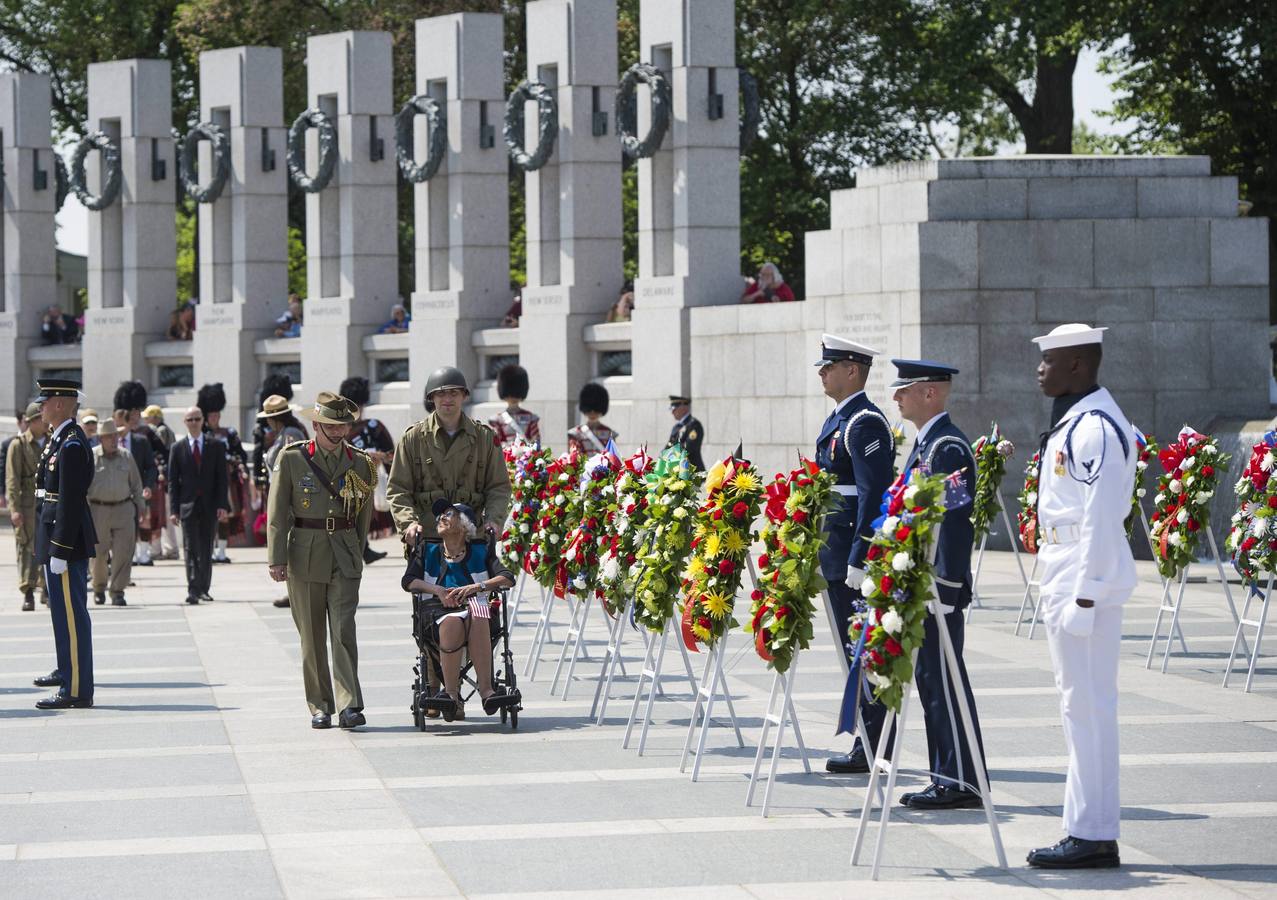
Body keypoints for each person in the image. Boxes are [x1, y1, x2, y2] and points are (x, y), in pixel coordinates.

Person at [1026, 323, 1134, 870]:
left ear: (1077, 365)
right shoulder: (1078, 421)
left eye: (1049, 360)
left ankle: (1092, 833)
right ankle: (1087, 827)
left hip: (1082, 578)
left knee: (1088, 706)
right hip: (1066, 568)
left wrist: (1086, 597)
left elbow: (1101, 518)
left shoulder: (1096, 428)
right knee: (1079, 705)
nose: (1040, 369)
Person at [864, 358, 987, 810]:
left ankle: (959, 782)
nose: (896, 396)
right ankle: (951, 776)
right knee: (933, 679)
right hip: (922, 585)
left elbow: (952, 523)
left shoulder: (947, 447)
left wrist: (946, 586)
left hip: (938, 587)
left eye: (905, 389)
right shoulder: (928, 445)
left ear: (930, 393)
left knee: (942, 681)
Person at [810, 334, 895, 775]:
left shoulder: (864, 423)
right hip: (835, 552)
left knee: (863, 649)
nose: (822, 374)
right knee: (852, 650)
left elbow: (873, 494)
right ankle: (867, 738)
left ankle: (875, 744)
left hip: (850, 558)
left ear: (852, 370)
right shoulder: (840, 419)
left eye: (829, 367)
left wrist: (861, 557)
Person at [267, 391, 377, 729]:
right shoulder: (292, 458)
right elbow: (277, 513)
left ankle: (349, 704)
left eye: (343, 426)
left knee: (343, 630)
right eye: (331, 426)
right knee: (312, 636)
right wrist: (276, 558)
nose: (339, 432)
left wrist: (356, 551)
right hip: (305, 552)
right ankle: (320, 705)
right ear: (316, 425)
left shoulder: (360, 462)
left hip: (343, 552)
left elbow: (363, 516)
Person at [401, 500, 517, 720]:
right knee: (453, 620)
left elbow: (507, 578)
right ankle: (451, 695)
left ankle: (487, 692)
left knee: (477, 612)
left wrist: (477, 587)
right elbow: (408, 581)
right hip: (437, 614)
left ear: (465, 526)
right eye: (440, 515)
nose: (441, 518)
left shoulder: (481, 551)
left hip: (476, 611)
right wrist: (438, 591)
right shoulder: (427, 550)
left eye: (449, 514)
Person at [387, 367, 510, 547]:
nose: (447, 399)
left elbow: (498, 487)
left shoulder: (485, 438)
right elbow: (398, 489)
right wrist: (408, 524)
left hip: (471, 536)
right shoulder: (412, 439)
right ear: (431, 398)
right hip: (426, 538)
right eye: (441, 394)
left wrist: (494, 520)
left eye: (454, 393)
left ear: (464, 396)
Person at [32, 378, 97, 709]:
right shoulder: (58, 440)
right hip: (55, 538)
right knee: (62, 614)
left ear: (60, 403)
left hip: (65, 543)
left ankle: (76, 689)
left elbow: (70, 502)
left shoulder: (71, 444)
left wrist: (59, 549)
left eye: (45, 402)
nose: (41, 408)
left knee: (72, 617)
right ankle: (66, 670)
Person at [168, 406, 229, 605]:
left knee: (206, 548)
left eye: (197, 419)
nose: (194, 423)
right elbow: (172, 482)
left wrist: (222, 505)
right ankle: (193, 589)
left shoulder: (216, 446)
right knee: (190, 548)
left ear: (203, 420)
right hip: (187, 506)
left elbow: (222, 478)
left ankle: (204, 588)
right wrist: (174, 510)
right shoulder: (177, 448)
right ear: (184, 422)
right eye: (190, 419)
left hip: (209, 506)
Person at [256, 393, 308, 608]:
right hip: (281, 492)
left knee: (289, 542)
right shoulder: (284, 433)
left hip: (289, 495)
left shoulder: (291, 434)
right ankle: (293, 589)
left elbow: (296, 464)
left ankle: (296, 590)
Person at [86, 420, 146, 607]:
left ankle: (118, 591)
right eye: (109, 437)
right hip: (98, 510)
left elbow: (136, 484)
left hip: (124, 508)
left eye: (115, 436)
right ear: (101, 439)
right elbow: (83, 486)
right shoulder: (91, 457)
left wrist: (141, 505)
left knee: (123, 552)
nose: (113, 440)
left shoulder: (126, 456)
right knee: (98, 553)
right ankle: (99, 587)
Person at [339, 376, 396, 565]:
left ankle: (363, 549)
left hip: (368, 481)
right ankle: (361, 550)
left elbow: (392, 454)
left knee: (359, 517)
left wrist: (379, 457)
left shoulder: (373, 427)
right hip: (345, 481)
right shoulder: (338, 430)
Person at [198, 383, 250, 563]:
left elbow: (240, 453)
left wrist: (238, 464)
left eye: (217, 415)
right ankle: (210, 550)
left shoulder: (229, 433)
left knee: (225, 515)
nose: (214, 418)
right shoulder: (201, 435)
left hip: (227, 480)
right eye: (211, 415)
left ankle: (221, 551)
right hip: (206, 481)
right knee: (208, 516)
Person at [112, 382, 159, 567]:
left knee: (143, 521)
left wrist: (148, 485)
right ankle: (125, 556)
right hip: (115, 491)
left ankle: (143, 553)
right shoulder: (109, 440)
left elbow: (151, 466)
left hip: (138, 489)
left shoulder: (142, 440)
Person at [7, 401, 48, 611]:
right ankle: (28, 591)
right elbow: (12, 480)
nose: (44, 422)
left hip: (47, 502)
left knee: (48, 544)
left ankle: (47, 589)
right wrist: (14, 509)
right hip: (26, 505)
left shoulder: (52, 441)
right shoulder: (19, 445)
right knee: (26, 547)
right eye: (40, 418)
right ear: (31, 422)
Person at [143, 404, 180, 560]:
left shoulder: (161, 431)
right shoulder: (168, 430)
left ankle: (167, 549)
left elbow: (159, 451)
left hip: (163, 477)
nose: (145, 421)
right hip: (167, 476)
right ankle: (171, 548)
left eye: (148, 418)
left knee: (163, 514)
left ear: (154, 417)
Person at [488, 364, 541, 449]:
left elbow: (536, 443)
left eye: (516, 393)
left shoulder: (531, 418)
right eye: (510, 394)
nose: (513, 397)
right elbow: (496, 444)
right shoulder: (497, 420)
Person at [567, 383, 618, 454]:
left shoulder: (610, 434)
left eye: (596, 411)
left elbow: (612, 456)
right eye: (589, 411)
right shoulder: (575, 433)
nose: (592, 413)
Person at [664, 394, 704, 471]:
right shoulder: (676, 427)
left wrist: (670, 455)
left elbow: (688, 448)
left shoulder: (694, 425)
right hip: (676, 470)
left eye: (674, 409)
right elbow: (668, 446)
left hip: (692, 471)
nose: (672, 412)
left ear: (684, 407)